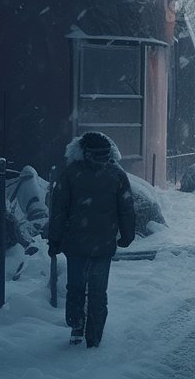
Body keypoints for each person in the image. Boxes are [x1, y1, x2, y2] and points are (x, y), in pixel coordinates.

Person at [47, 131, 136, 348]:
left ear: (82, 152)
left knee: (76, 287)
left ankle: (76, 326)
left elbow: (59, 210)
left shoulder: (70, 174)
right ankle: (94, 336)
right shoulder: (116, 173)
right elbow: (126, 209)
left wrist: (54, 240)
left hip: (75, 243)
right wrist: (127, 235)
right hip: (103, 244)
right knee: (98, 291)